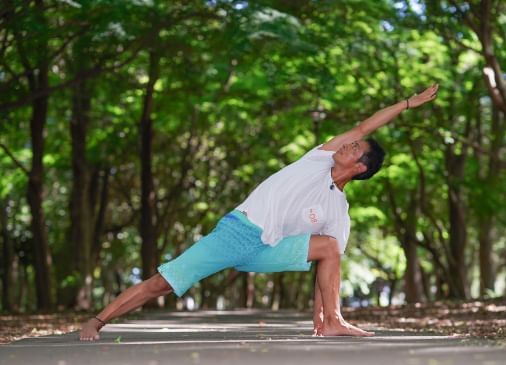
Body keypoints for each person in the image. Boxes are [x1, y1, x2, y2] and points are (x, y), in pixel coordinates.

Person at [80, 84, 438, 341]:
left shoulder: (338, 208)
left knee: (330, 247)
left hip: (268, 249)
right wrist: (407, 104)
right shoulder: (317, 161)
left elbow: (328, 270)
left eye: (355, 148)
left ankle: (332, 321)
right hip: (237, 233)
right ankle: (96, 321)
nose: (348, 142)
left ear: (360, 167)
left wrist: (321, 316)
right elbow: (364, 126)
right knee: (162, 283)